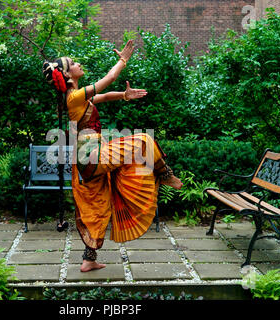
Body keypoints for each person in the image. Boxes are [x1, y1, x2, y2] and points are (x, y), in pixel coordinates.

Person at [43, 40, 183, 272]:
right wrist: (123, 60)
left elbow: (105, 95)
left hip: (87, 161)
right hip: (91, 156)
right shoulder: (74, 97)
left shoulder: (76, 96)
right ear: (68, 74)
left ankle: (89, 259)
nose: (79, 64)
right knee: (143, 141)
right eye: (74, 63)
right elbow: (107, 80)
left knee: (97, 208)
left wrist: (124, 96)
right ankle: (164, 173)